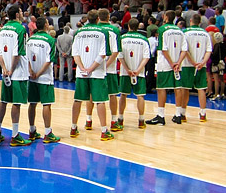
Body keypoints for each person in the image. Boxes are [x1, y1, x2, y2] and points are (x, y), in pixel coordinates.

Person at [0, 5, 32, 147]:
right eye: (21, 11)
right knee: (16, 103)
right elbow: (17, 53)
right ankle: (15, 135)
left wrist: (4, 68)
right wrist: (11, 69)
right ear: (17, 14)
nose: (23, 13)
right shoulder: (21, 29)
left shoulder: (3, 29)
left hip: (5, 72)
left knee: (3, 101)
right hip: (17, 72)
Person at [71, 9, 112, 140]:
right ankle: (104, 131)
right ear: (98, 19)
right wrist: (91, 68)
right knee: (100, 101)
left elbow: (75, 53)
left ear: (87, 19)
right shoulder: (103, 32)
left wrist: (83, 68)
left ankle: (73, 128)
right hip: (97, 72)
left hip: (81, 72)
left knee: (77, 100)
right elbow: (103, 54)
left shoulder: (78, 32)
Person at [147, 10, 187, 126]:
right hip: (178, 64)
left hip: (165, 63)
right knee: (178, 88)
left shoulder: (162, 29)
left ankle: (161, 116)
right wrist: (177, 62)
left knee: (161, 88)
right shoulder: (179, 31)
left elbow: (163, 49)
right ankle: (178, 115)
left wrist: (171, 63)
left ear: (165, 17)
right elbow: (184, 49)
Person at [26, 16, 61, 144]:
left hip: (32, 76)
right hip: (44, 77)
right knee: (46, 104)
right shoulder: (50, 40)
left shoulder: (30, 40)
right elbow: (49, 60)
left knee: (33, 103)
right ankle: (47, 132)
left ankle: (31, 130)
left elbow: (27, 58)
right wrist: (39, 73)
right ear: (46, 25)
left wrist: (31, 71)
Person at [117, 18, 150, 128]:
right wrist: (138, 70)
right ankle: (141, 120)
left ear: (128, 26)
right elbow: (146, 57)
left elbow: (120, 57)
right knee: (140, 96)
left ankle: (120, 118)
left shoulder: (122, 38)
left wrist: (127, 69)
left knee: (123, 95)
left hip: (125, 72)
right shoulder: (144, 39)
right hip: (139, 73)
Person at [182, 14, 212, 122]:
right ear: (200, 22)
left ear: (191, 21)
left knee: (186, 89)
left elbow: (184, 50)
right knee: (201, 89)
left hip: (187, 65)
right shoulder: (206, 34)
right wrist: (202, 62)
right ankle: (203, 113)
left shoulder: (185, 32)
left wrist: (193, 62)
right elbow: (209, 51)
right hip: (201, 65)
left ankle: (182, 113)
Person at [210, 31, 226, 99]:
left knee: (216, 79)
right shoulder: (223, 45)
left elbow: (215, 55)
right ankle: (222, 93)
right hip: (222, 63)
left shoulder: (217, 45)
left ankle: (216, 94)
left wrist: (211, 54)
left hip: (216, 64)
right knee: (222, 79)